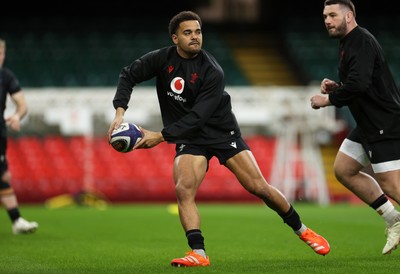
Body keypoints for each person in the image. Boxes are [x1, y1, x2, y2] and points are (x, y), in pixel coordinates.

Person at [108, 11, 330, 267]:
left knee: (258, 187)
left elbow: (199, 116)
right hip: (190, 138)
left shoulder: (212, 71)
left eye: (198, 32)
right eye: (188, 32)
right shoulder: (162, 59)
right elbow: (128, 74)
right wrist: (120, 112)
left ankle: (302, 229)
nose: (195, 37)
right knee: (183, 190)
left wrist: (159, 136)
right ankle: (198, 253)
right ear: (175, 38)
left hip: (221, 132)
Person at [310, 0, 400, 255]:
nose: (327, 20)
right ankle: (394, 219)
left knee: (393, 186)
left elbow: (359, 85)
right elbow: (361, 83)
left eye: (332, 15)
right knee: (343, 169)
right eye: (325, 16)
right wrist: (337, 87)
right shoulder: (349, 42)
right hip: (367, 123)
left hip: (384, 123)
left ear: (349, 16)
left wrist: (327, 100)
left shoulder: (360, 40)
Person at [0, 38, 39, 234]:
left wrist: (16, 115)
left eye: (1, 53)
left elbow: (22, 104)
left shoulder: (5, 76)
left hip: (0, 134)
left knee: (3, 175)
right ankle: (16, 220)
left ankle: (16, 221)